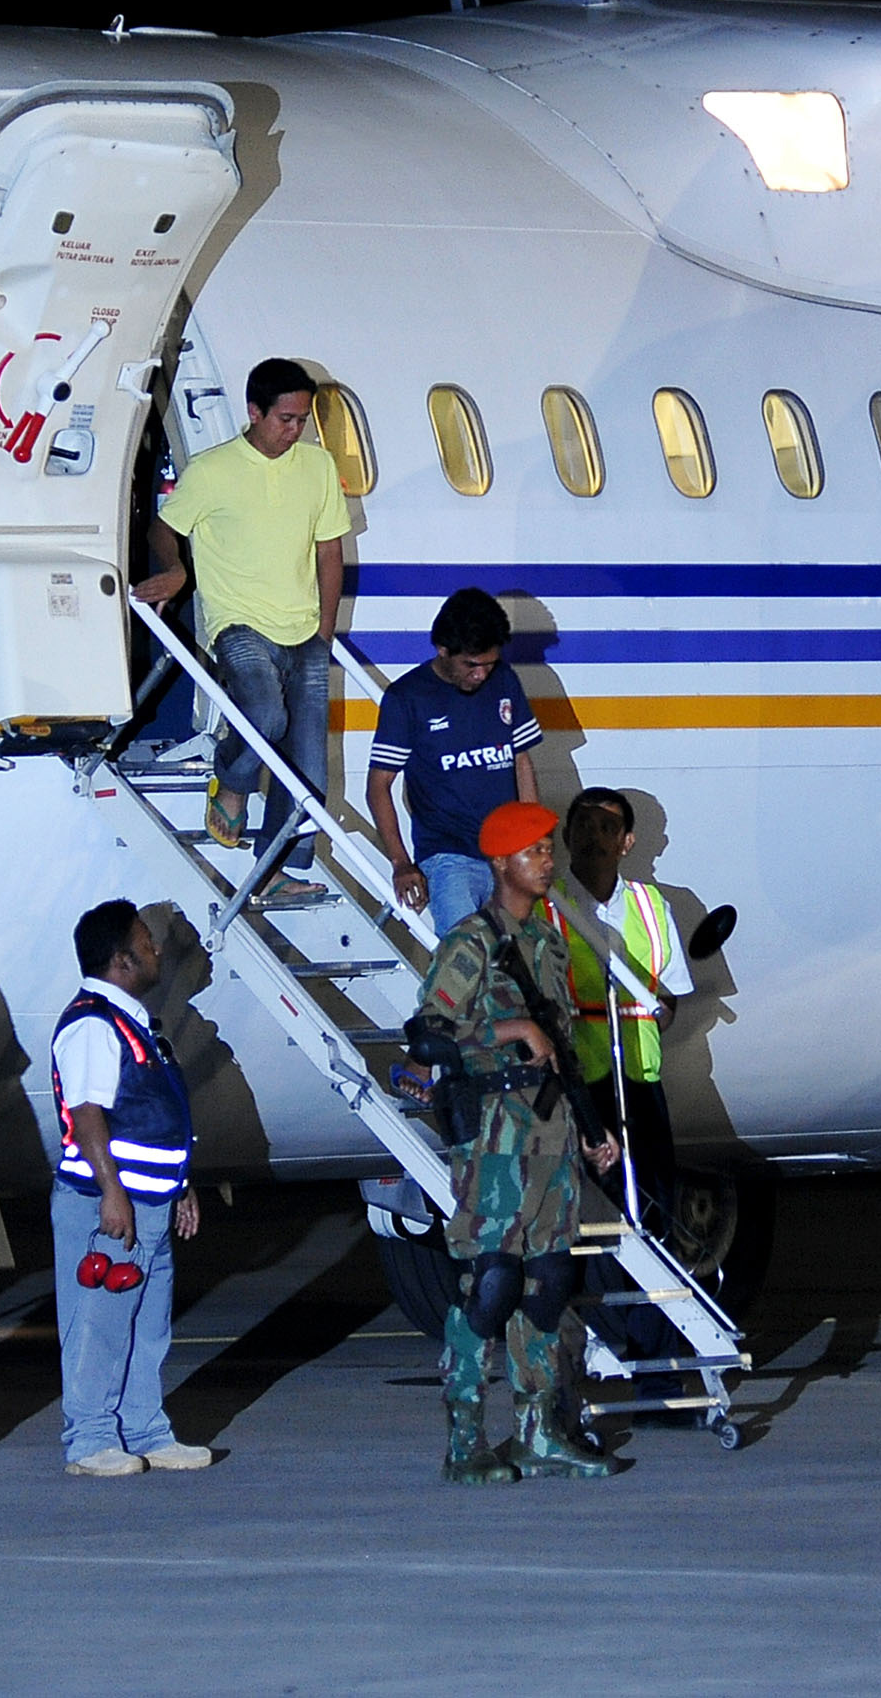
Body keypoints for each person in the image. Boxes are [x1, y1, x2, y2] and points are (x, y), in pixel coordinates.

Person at [417, 801, 622, 1484]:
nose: (547, 861)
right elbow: (424, 1037)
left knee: (551, 1279)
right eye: (533, 851)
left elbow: (561, 1048)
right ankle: (465, 1435)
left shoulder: (549, 944)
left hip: (552, 1131)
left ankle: (538, 1431)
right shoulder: (471, 944)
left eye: (545, 850)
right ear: (501, 862)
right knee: (494, 1282)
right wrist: (504, 1035)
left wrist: (594, 1132)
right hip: (494, 1139)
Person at [133, 358, 349, 910]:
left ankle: (279, 870)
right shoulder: (212, 470)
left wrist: (324, 631)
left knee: (308, 767)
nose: (295, 430)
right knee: (264, 716)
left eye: (303, 419)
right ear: (254, 413)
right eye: (285, 419)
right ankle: (230, 781)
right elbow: (165, 527)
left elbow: (330, 550)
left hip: (304, 629)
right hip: (238, 620)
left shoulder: (318, 468)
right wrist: (178, 570)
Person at [49, 900, 211, 1477]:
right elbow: (87, 1115)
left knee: (147, 1325)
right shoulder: (94, 1024)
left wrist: (180, 1184)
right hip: (108, 1207)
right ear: (120, 959)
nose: (158, 949)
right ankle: (90, 1440)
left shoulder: (133, 1021)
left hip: (151, 1201)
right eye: (148, 940)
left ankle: (145, 1429)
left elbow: (151, 1115)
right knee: (99, 1322)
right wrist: (112, 1193)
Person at [553, 786, 697, 1414]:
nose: (595, 834)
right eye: (583, 823)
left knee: (655, 1222)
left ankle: (657, 1374)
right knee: (573, 1227)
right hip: (578, 1086)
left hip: (637, 1077)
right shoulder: (550, 907)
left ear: (629, 842)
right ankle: (569, 1370)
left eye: (608, 825)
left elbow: (674, 998)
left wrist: (657, 1007)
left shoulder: (650, 903)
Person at [365, 588, 543, 935]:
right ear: (442, 649)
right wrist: (401, 862)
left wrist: (532, 841)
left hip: (508, 858)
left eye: (488, 664)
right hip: (448, 859)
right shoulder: (407, 698)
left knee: (520, 971)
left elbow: (521, 761)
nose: (481, 675)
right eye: (471, 665)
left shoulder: (504, 679)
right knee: (466, 968)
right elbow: (378, 786)